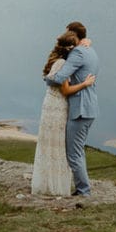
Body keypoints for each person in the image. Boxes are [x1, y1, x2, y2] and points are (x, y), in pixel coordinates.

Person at [30, 31, 97, 196]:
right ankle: (78, 189)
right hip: (58, 107)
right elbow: (65, 89)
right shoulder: (62, 64)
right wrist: (85, 83)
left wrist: (86, 42)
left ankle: (63, 184)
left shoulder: (60, 61)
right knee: (63, 149)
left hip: (55, 106)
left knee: (60, 148)